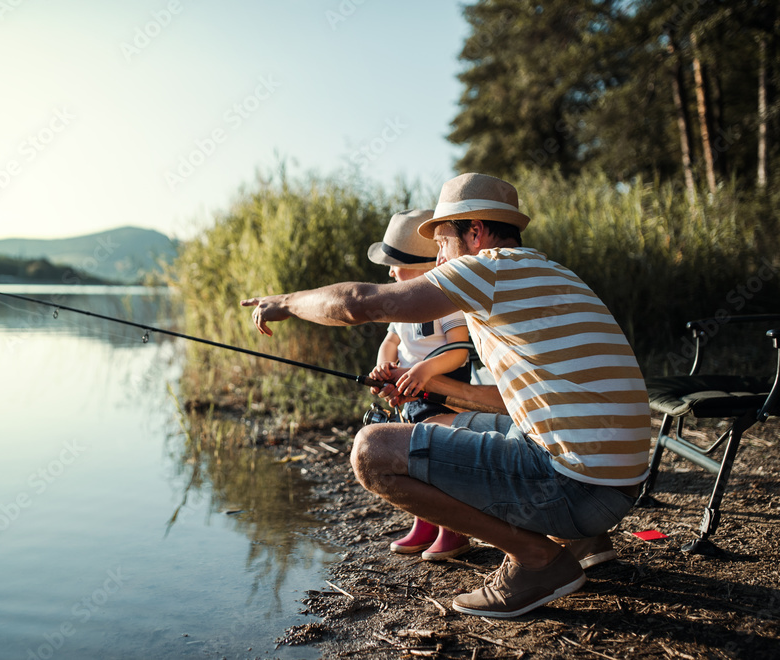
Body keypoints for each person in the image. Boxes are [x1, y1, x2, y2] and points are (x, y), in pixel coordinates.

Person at [241, 173, 651, 618]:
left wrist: (286, 301)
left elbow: (359, 303)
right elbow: (513, 402)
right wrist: (429, 384)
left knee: (372, 450)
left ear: (474, 233)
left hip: (579, 489)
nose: (438, 256)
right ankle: (582, 539)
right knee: (444, 422)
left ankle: (538, 561)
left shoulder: (486, 269)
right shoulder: (550, 274)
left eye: (441, 241)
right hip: (620, 485)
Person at [366, 208, 474, 561]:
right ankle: (425, 520)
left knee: (437, 457)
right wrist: (385, 365)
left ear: (426, 266)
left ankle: (453, 529)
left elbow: (459, 350)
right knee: (412, 457)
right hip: (410, 395)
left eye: (396, 263)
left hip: (443, 392)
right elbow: (391, 342)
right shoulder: (402, 304)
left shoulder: (447, 301)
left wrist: (425, 371)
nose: (390, 271)